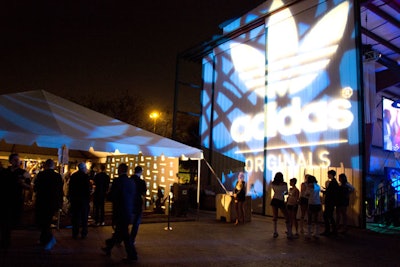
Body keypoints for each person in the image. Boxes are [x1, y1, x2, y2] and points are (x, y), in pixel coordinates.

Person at [102, 163, 138, 262]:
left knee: (124, 235)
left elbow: (112, 196)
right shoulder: (131, 182)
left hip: (120, 211)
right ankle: (108, 246)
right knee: (119, 232)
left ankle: (132, 255)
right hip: (128, 211)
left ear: (120, 170)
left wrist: (107, 195)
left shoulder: (117, 181)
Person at [0, 153, 31, 250]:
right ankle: (5, 241)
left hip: (16, 200)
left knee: (12, 221)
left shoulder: (24, 172)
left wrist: (22, 184)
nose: (17, 162)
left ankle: (6, 239)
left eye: (18, 160)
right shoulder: (5, 172)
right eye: (15, 160)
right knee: (5, 222)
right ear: (10, 161)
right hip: (4, 200)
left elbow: (29, 187)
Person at [34, 159, 63, 251]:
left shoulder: (41, 175)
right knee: (47, 220)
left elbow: (36, 188)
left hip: (42, 201)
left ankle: (48, 238)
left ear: (45, 165)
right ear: (53, 166)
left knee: (42, 220)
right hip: (53, 201)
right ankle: (44, 239)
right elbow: (60, 191)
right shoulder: (58, 176)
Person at [68, 162, 91, 239]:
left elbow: (70, 188)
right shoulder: (86, 176)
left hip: (75, 199)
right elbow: (88, 189)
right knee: (84, 218)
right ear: (83, 168)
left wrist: (70, 198)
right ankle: (84, 232)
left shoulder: (73, 176)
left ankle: (75, 233)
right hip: (84, 200)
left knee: (76, 217)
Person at [270, 172, 291, 239]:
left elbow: (274, 190)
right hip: (281, 200)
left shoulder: (273, 183)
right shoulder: (284, 184)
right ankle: (289, 232)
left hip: (274, 199)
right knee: (286, 216)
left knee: (275, 216)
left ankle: (275, 232)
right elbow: (286, 192)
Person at [130, 166, 147, 245]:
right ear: (140, 172)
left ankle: (120, 238)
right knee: (136, 224)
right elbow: (144, 193)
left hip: (129, 202)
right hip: (138, 203)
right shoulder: (142, 182)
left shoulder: (129, 180)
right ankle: (132, 239)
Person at [321, 170, 339, 236]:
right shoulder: (334, 182)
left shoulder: (332, 183)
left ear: (331, 174)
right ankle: (332, 230)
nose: (327, 175)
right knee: (329, 216)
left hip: (329, 202)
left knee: (327, 215)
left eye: (328, 174)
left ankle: (328, 230)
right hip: (331, 202)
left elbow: (330, 192)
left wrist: (324, 191)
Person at [306, 175, 322, 239]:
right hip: (318, 203)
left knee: (309, 218)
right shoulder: (317, 186)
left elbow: (306, 194)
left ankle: (309, 233)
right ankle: (316, 233)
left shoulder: (309, 186)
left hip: (311, 203)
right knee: (316, 218)